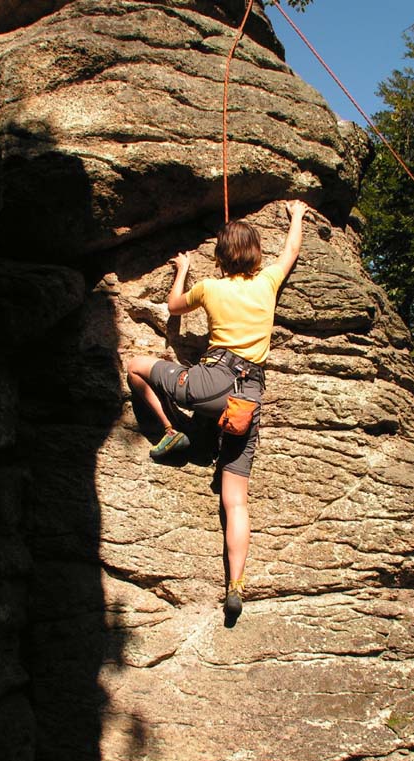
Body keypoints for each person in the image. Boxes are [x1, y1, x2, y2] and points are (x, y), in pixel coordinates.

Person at [127, 199, 310, 617]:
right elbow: (291, 253)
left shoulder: (211, 287)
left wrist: (182, 272)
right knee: (236, 502)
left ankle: (172, 429)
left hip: (206, 383)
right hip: (247, 400)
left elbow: (173, 307)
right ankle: (237, 585)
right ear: (256, 254)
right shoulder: (267, 283)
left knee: (136, 368)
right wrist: (297, 217)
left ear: (221, 256)